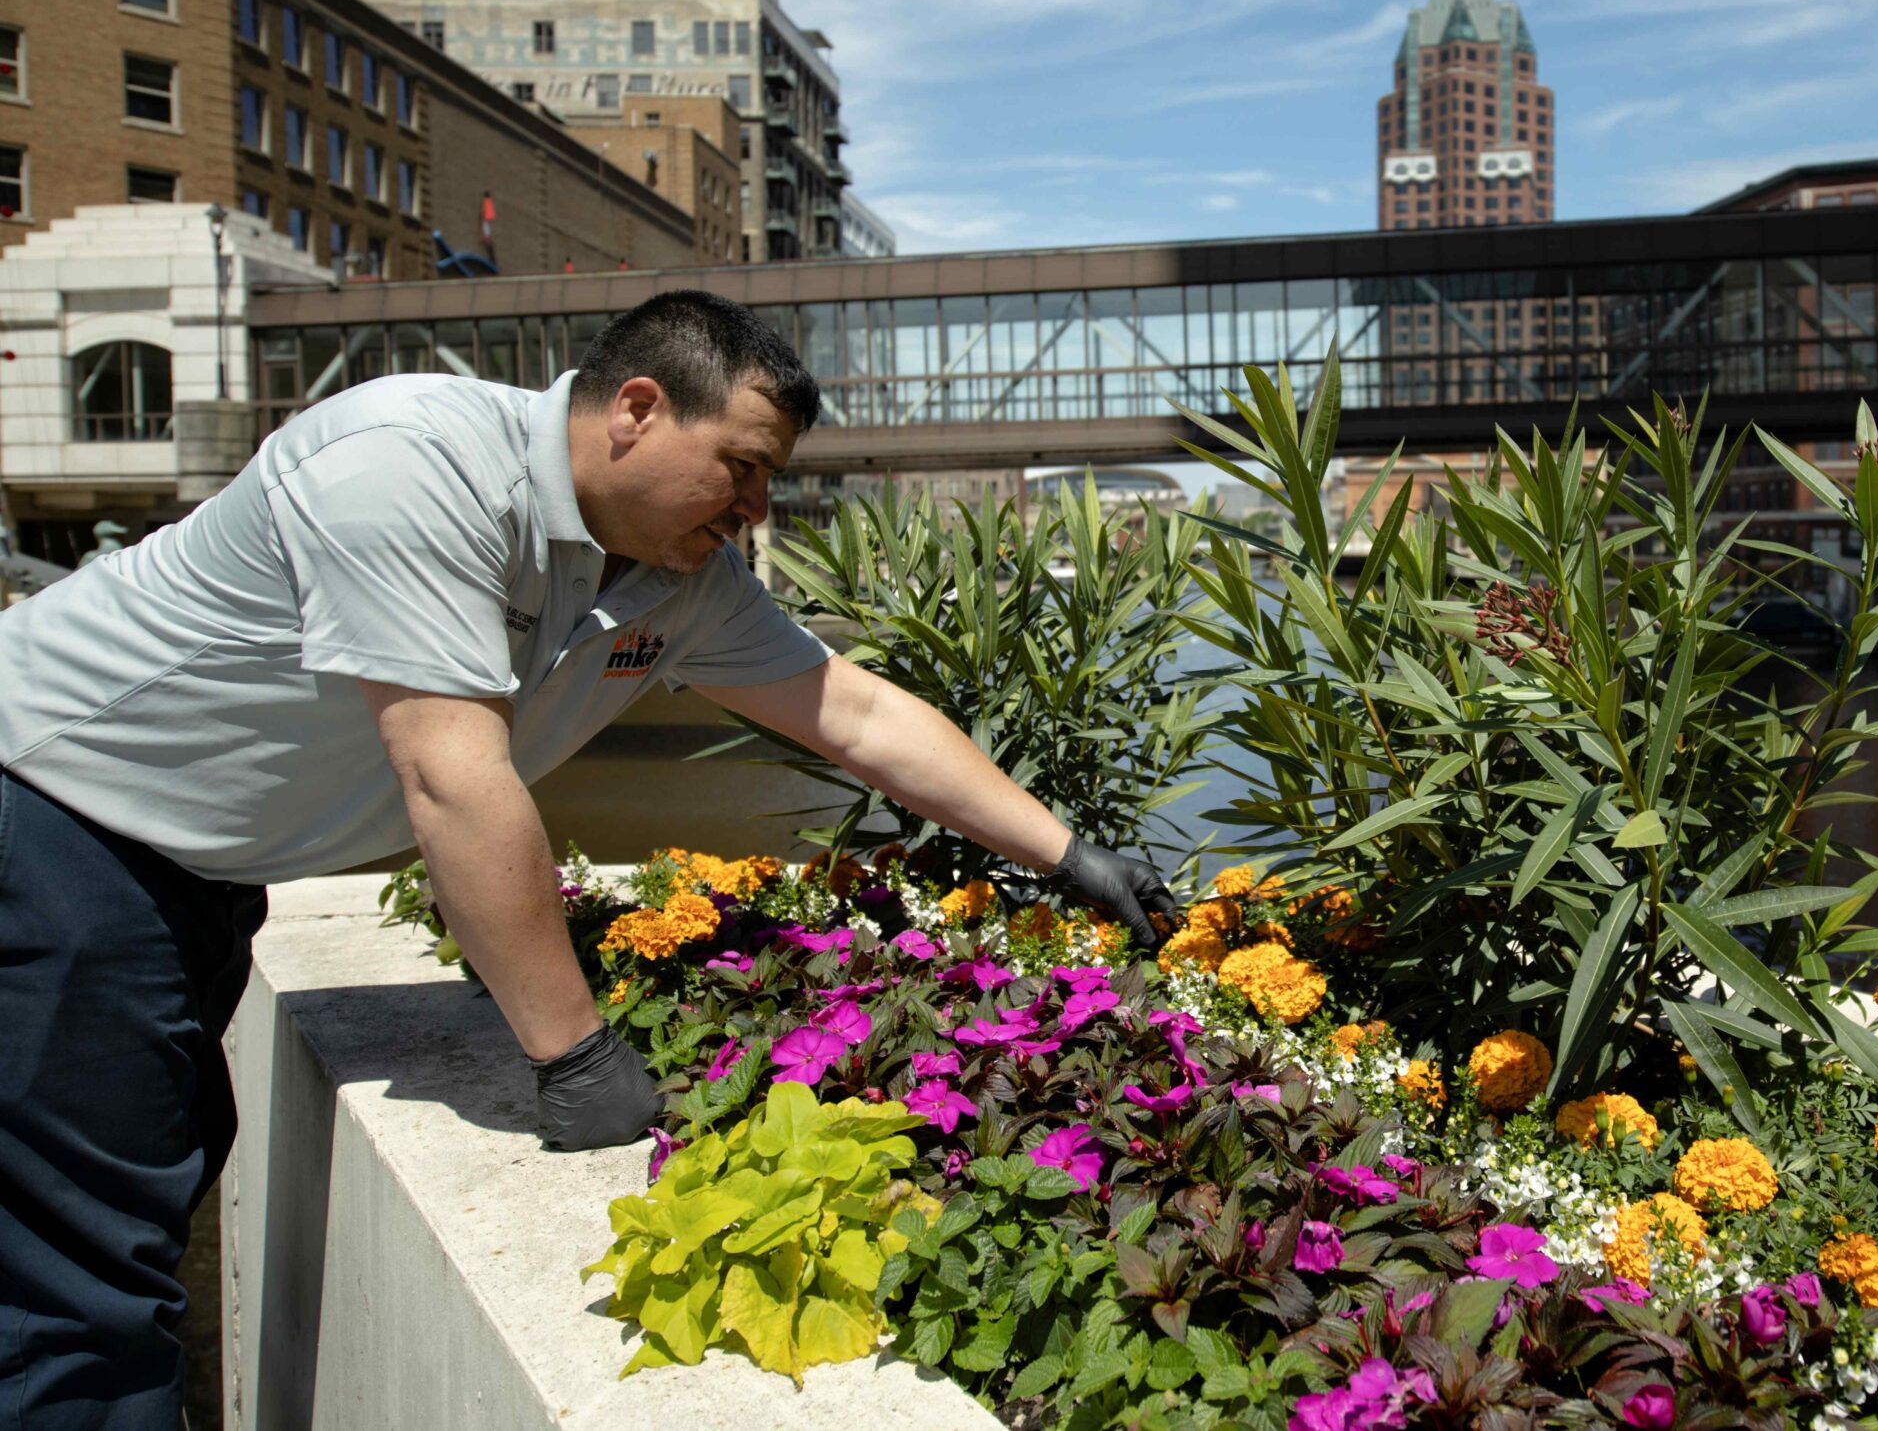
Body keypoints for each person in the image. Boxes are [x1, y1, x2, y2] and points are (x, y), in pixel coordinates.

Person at [0, 289, 1177, 1429]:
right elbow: (454, 778)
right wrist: (574, 1054)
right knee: (81, 1298)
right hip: (54, 826)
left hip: (186, 873)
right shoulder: (411, 463)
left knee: (117, 1223)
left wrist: (1072, 855)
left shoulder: (676, 577)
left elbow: (853, 715)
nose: (758, 507)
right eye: (744, 465)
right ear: (639, 410)